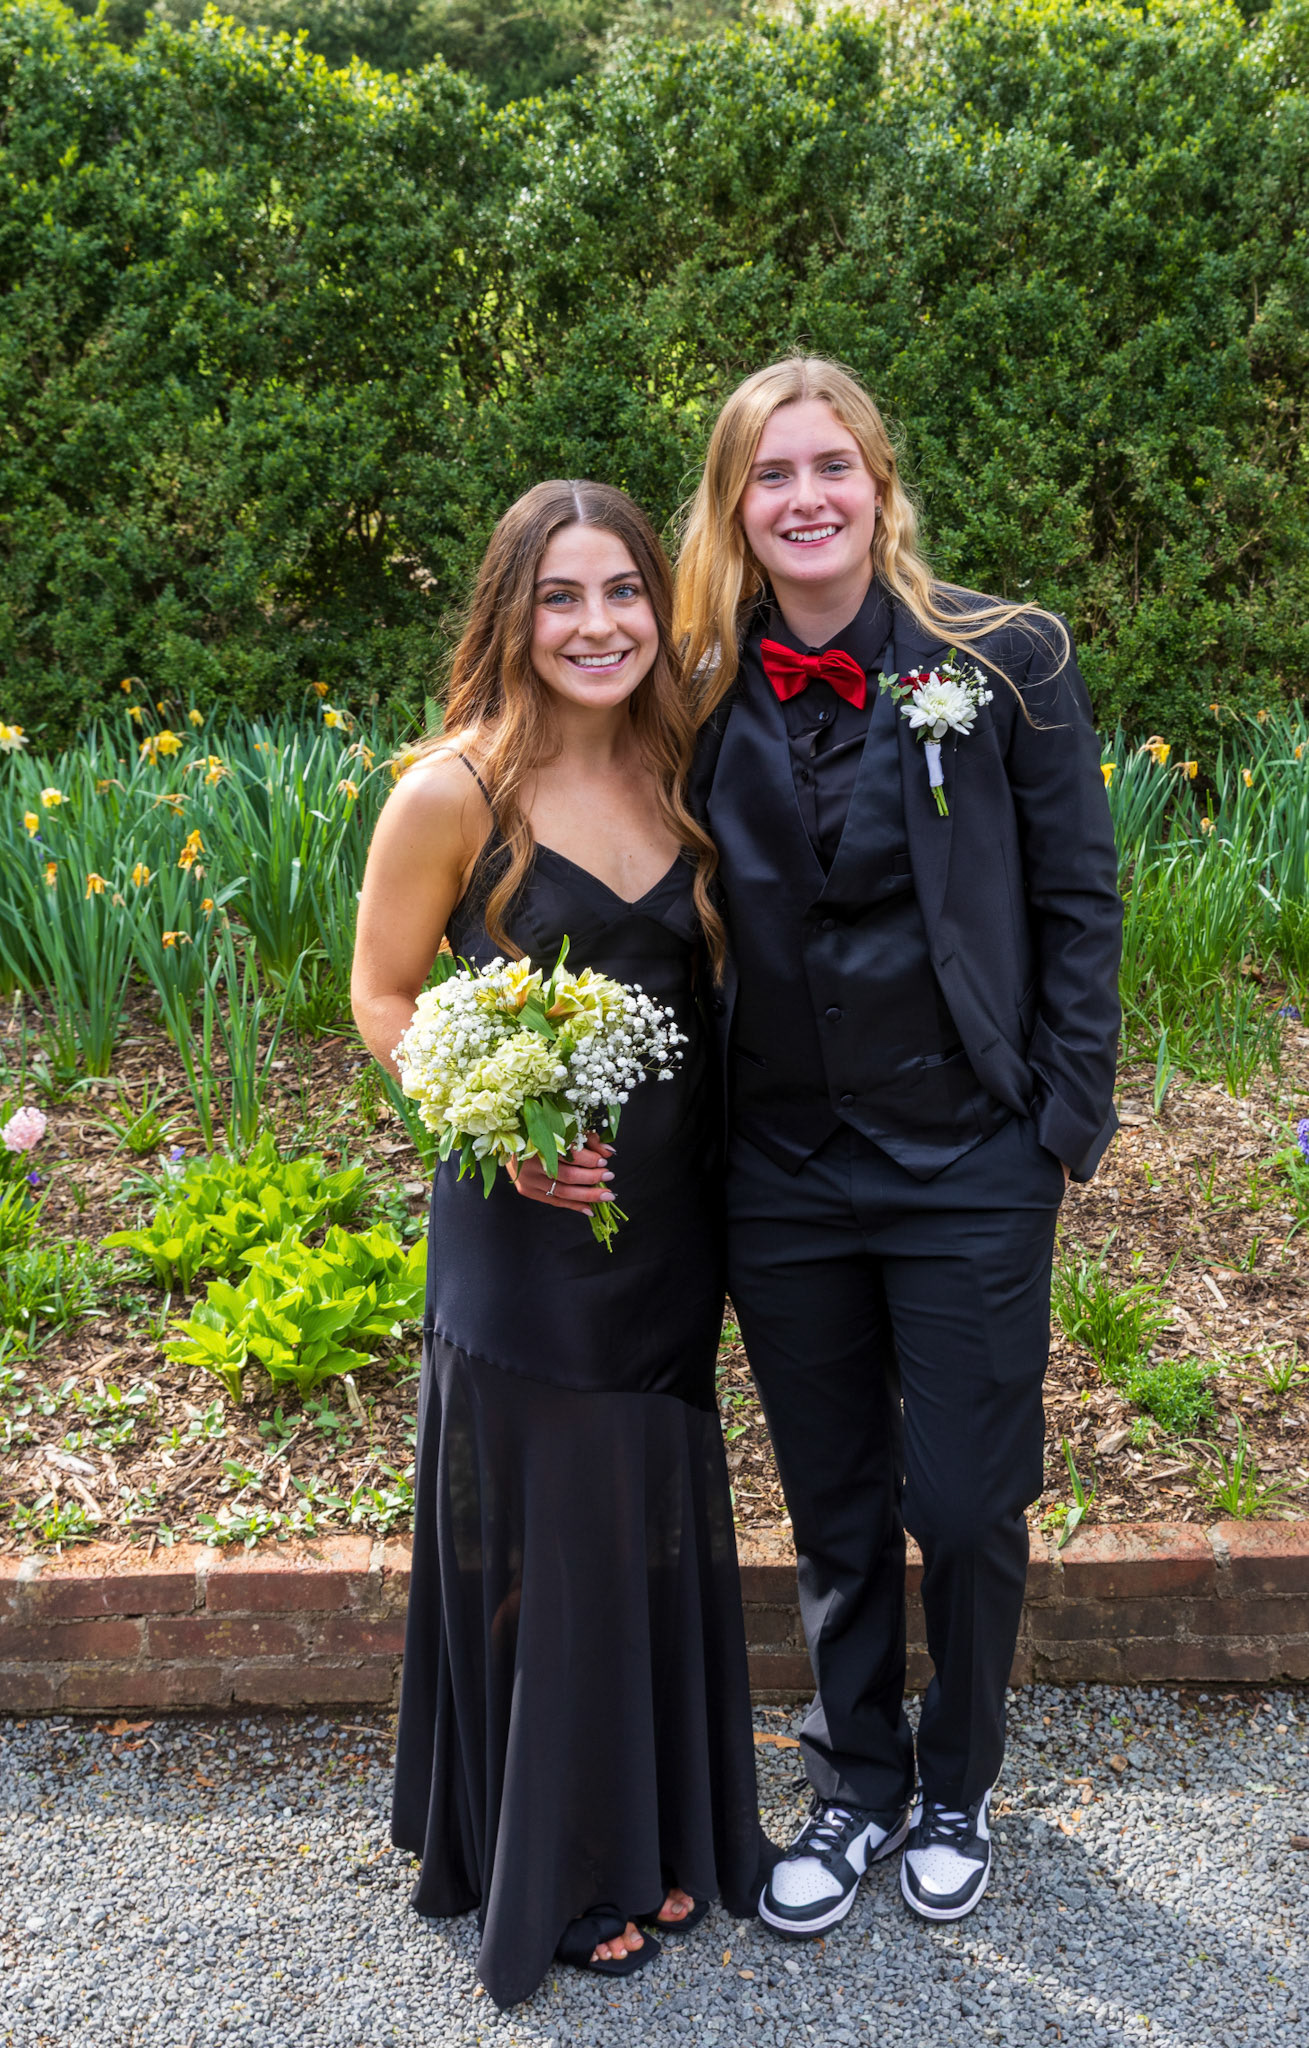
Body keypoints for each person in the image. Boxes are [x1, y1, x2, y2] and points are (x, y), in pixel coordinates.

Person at [676, 357, 1122, 1933]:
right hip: (780, 1170)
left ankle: (957, 1778)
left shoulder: (1002, 659)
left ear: (876, 484)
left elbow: (1077, 898)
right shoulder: (692, 688)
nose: (804, 498)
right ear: (734, 504)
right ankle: (855, 1782)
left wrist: (1061, 1122)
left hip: (967, 1158)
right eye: (771, 473)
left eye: (830, 467)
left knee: (968, 1499)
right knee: (834, 1501)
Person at [351, 479, 773, 2009]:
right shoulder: (452, 791)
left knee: (635, 1522)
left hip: (668, 1230)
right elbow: (382, 995)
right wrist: (487, 1121)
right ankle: (561, 1858)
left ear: (658, 605)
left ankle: (643, 1821)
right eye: (561, 597)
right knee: (555, 1528)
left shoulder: (682, 766)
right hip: (523, 1233)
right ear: (511, 615)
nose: (597, 625)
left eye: (622, 592)